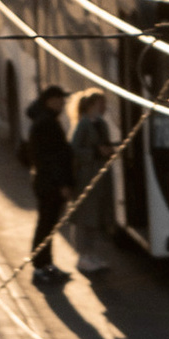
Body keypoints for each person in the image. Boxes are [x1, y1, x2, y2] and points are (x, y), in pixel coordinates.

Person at [23, 84, 74, 292]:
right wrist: (62, 184)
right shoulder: (46, 123)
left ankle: (47, 264)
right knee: (46, 224)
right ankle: (40, 266)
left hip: (46, 182)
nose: (63, 103)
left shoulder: (46, 120)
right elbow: (52, 159)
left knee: (49, 225)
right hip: (50, 184)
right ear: (50, 100)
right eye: (60, 99)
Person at [68, 88, 117, 278]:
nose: (104, 107)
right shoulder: (83, 125)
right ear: (91, 106)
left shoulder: (101, 123)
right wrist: (96, 153)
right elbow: (75, 150)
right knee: (85, 217)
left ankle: (91, 253)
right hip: (86, 178)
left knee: (96, 216)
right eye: (101, 104)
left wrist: (108, 151)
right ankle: (83, 254)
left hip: (99, 179)